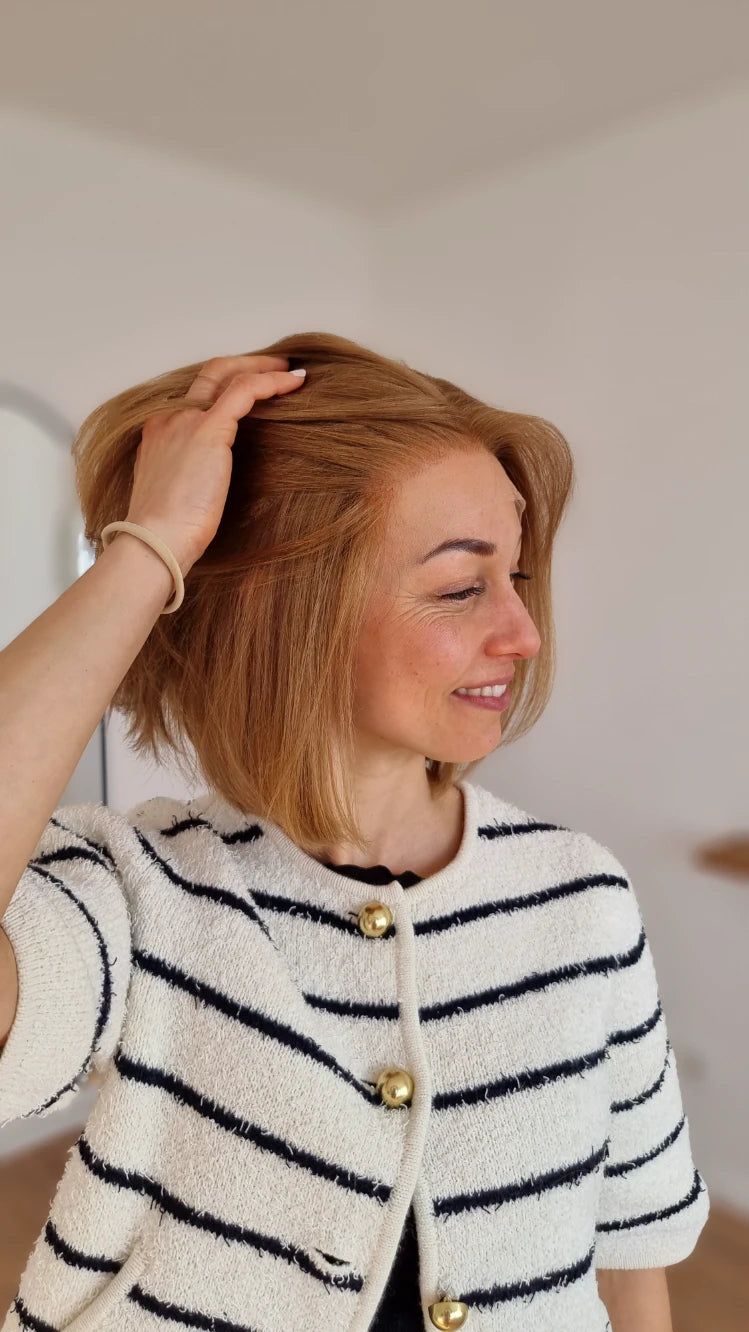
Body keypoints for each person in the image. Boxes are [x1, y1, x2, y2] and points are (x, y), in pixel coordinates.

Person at [0, 335, 708, 1331]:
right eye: (460, 587)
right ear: (290, 611)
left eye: (515, 576)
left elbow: (631, 1255)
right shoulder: (140, 893)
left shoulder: (580, 899)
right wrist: (149, 545)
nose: (523, 633)